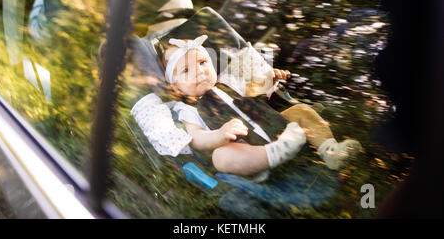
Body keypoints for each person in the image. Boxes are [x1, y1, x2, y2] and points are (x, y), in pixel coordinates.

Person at [152, 34, 362, 177]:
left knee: (301, 111)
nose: (199, 71)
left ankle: (330, 150)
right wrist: (220, 134)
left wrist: (268, 78)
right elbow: (196, 137)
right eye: (186, 70)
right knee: (221, 157)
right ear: (176, 86)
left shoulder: (227, 82)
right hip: (245, 146)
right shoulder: (187, 109)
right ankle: (274, 154)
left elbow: (253, 90)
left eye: (203, 63)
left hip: (273, 124)